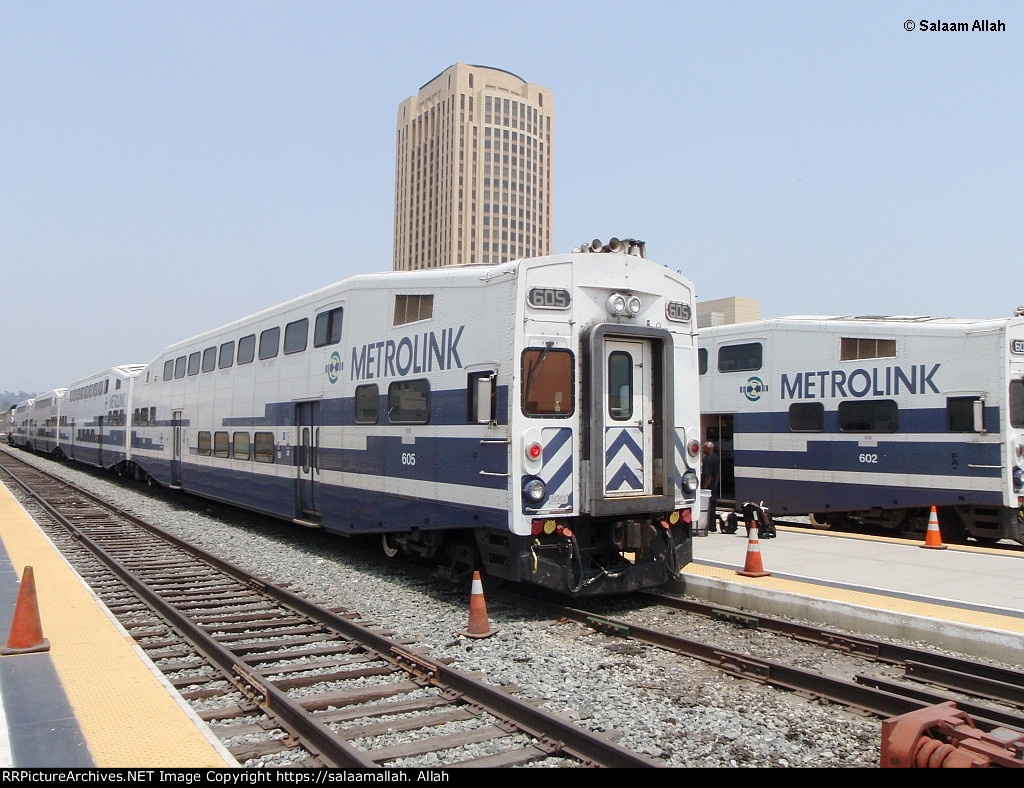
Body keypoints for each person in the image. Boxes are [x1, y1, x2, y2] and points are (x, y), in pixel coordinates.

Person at [701, 441, 721, 532]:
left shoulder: (708, 460)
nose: (702, 449)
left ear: (708, 449)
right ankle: (712, 525)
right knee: (712, 505)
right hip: (714, 484)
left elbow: (708, 475)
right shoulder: (716, 457)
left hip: (709, 486)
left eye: (704, 447)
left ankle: (711, 524)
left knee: (708, 506)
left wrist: (704, 488)